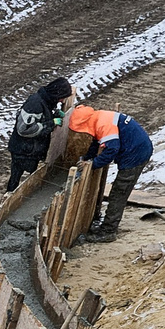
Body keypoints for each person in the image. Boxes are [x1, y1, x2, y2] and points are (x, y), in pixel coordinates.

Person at [67, 102, 154, 240]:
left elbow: (111, 150)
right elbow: (97, 142)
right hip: (136, 147)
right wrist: (87, 157)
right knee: (118, 191)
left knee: (119, 192)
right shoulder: (99, 117)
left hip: (136, 154)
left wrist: (92, 164)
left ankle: (108, 231)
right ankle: (108, 226)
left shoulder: (103, 125)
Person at [5, 77, 73, 190]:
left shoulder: (46, 101)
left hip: (31, 150)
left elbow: (43, 117)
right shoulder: (34, 104)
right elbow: (24, 129)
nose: (62, 101)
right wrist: (51, 123)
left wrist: (55, 114)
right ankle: (10, 196)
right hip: (23, 151)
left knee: (25, 180)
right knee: (17, 180)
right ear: (57, 93)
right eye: (62, 98)